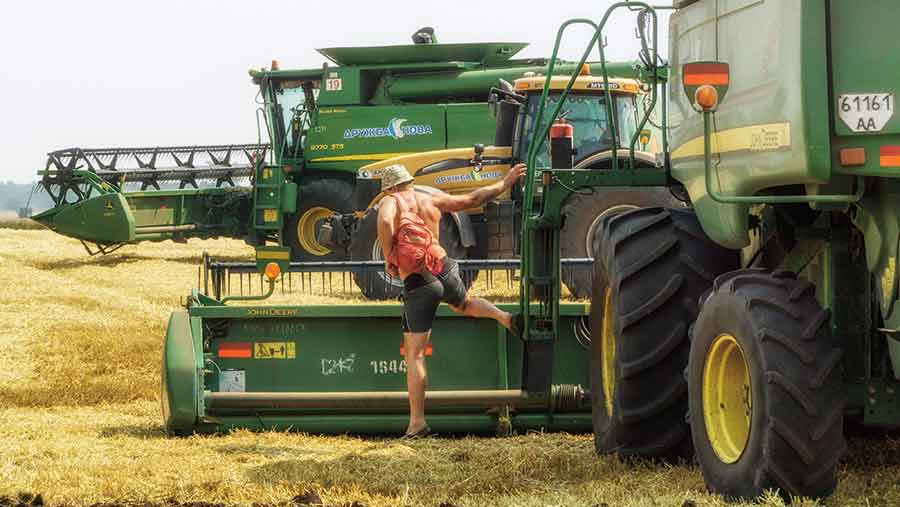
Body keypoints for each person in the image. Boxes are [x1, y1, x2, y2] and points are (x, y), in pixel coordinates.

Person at [376, 162, 527, 438]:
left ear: (389, 187)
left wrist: (389, 257)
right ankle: (504, 317)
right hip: (443, 267)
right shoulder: (430, 198)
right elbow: (473, 199)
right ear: (408, 181)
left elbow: (386, 222)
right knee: (465, 303)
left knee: (415, 354)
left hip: (419, 280)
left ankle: (417, 424)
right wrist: (506, 182)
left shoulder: (390, 202)